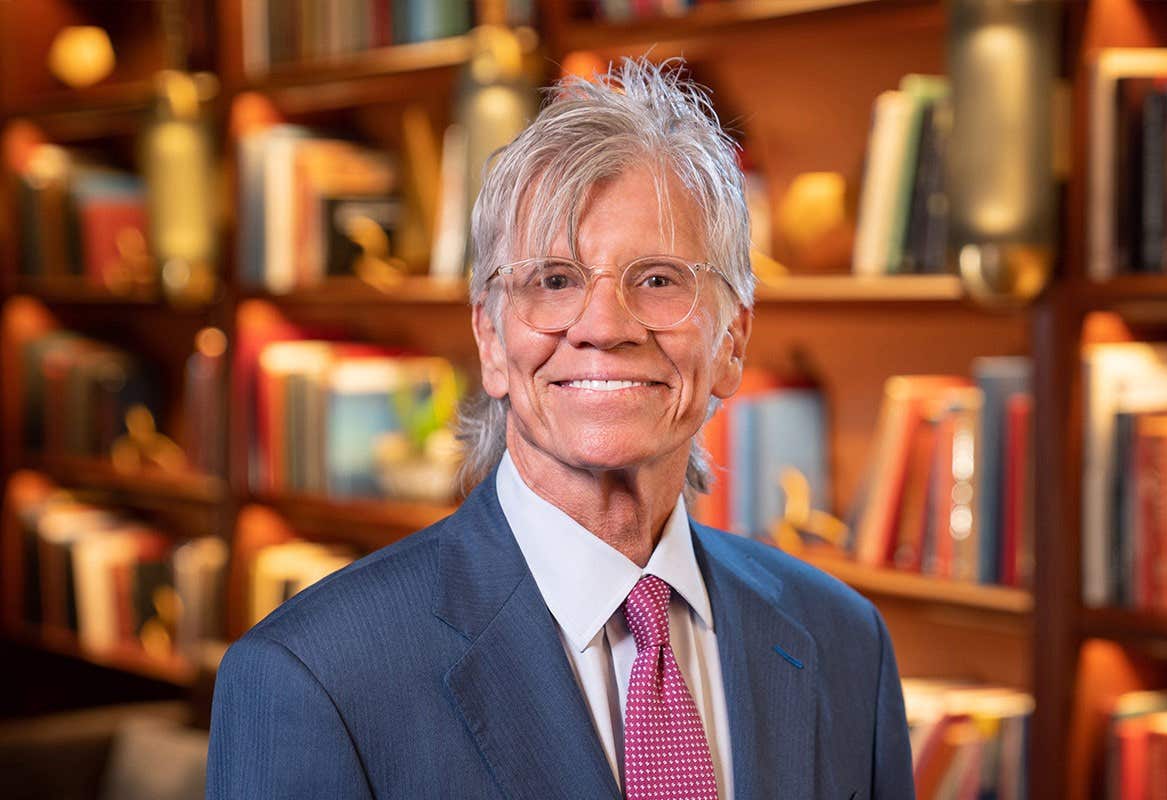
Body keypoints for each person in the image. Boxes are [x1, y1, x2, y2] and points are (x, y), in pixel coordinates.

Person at [207, 58, 915, 800]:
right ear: (490, 340)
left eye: (659, 279)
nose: (604, 327)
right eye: (554, 280)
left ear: (732, 342)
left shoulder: (843, 642)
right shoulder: (314, 676)